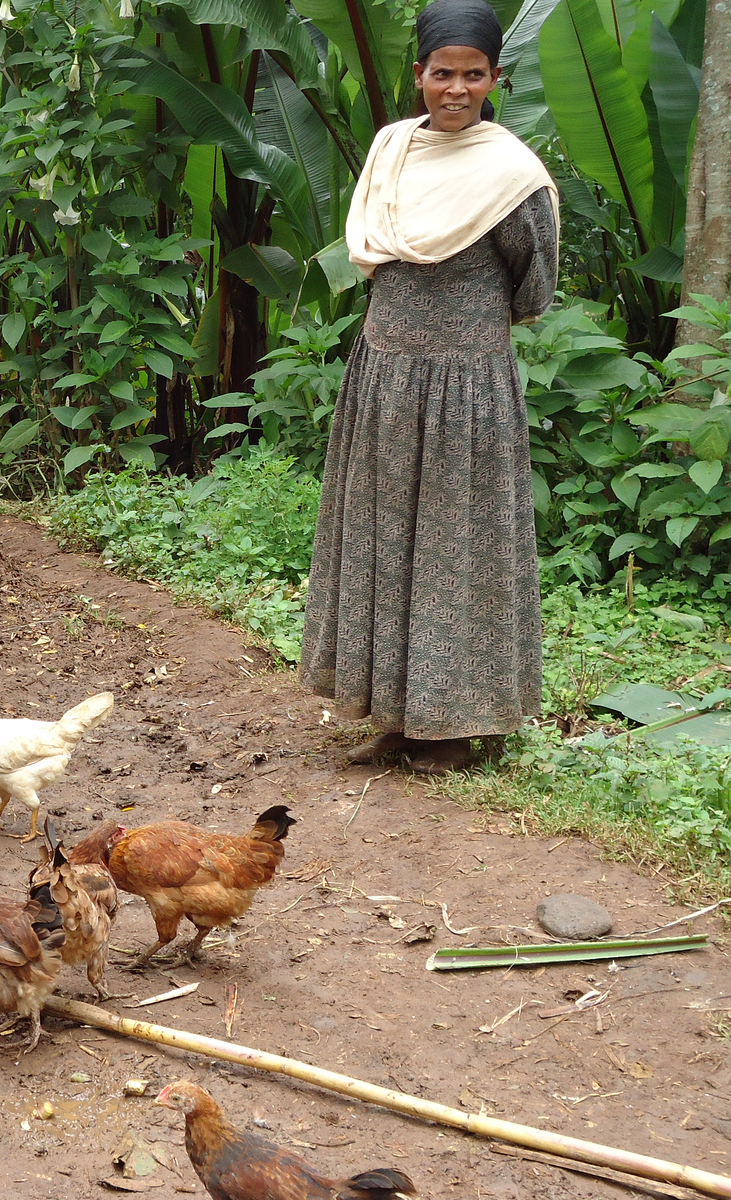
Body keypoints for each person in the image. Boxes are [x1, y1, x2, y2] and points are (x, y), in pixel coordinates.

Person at [299, 0, 559, 775]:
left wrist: (459, 330)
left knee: (457, 540)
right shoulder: (390, 152)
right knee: (384, 535)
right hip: (384, 372)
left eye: (472, 74)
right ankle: (399, 714)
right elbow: (374, 252)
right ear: (418, 75)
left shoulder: (510, 173)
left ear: (494, 79)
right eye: (441, 73)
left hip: (465, 387)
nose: (456, 88)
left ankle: (456, 726)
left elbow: (533, 286)